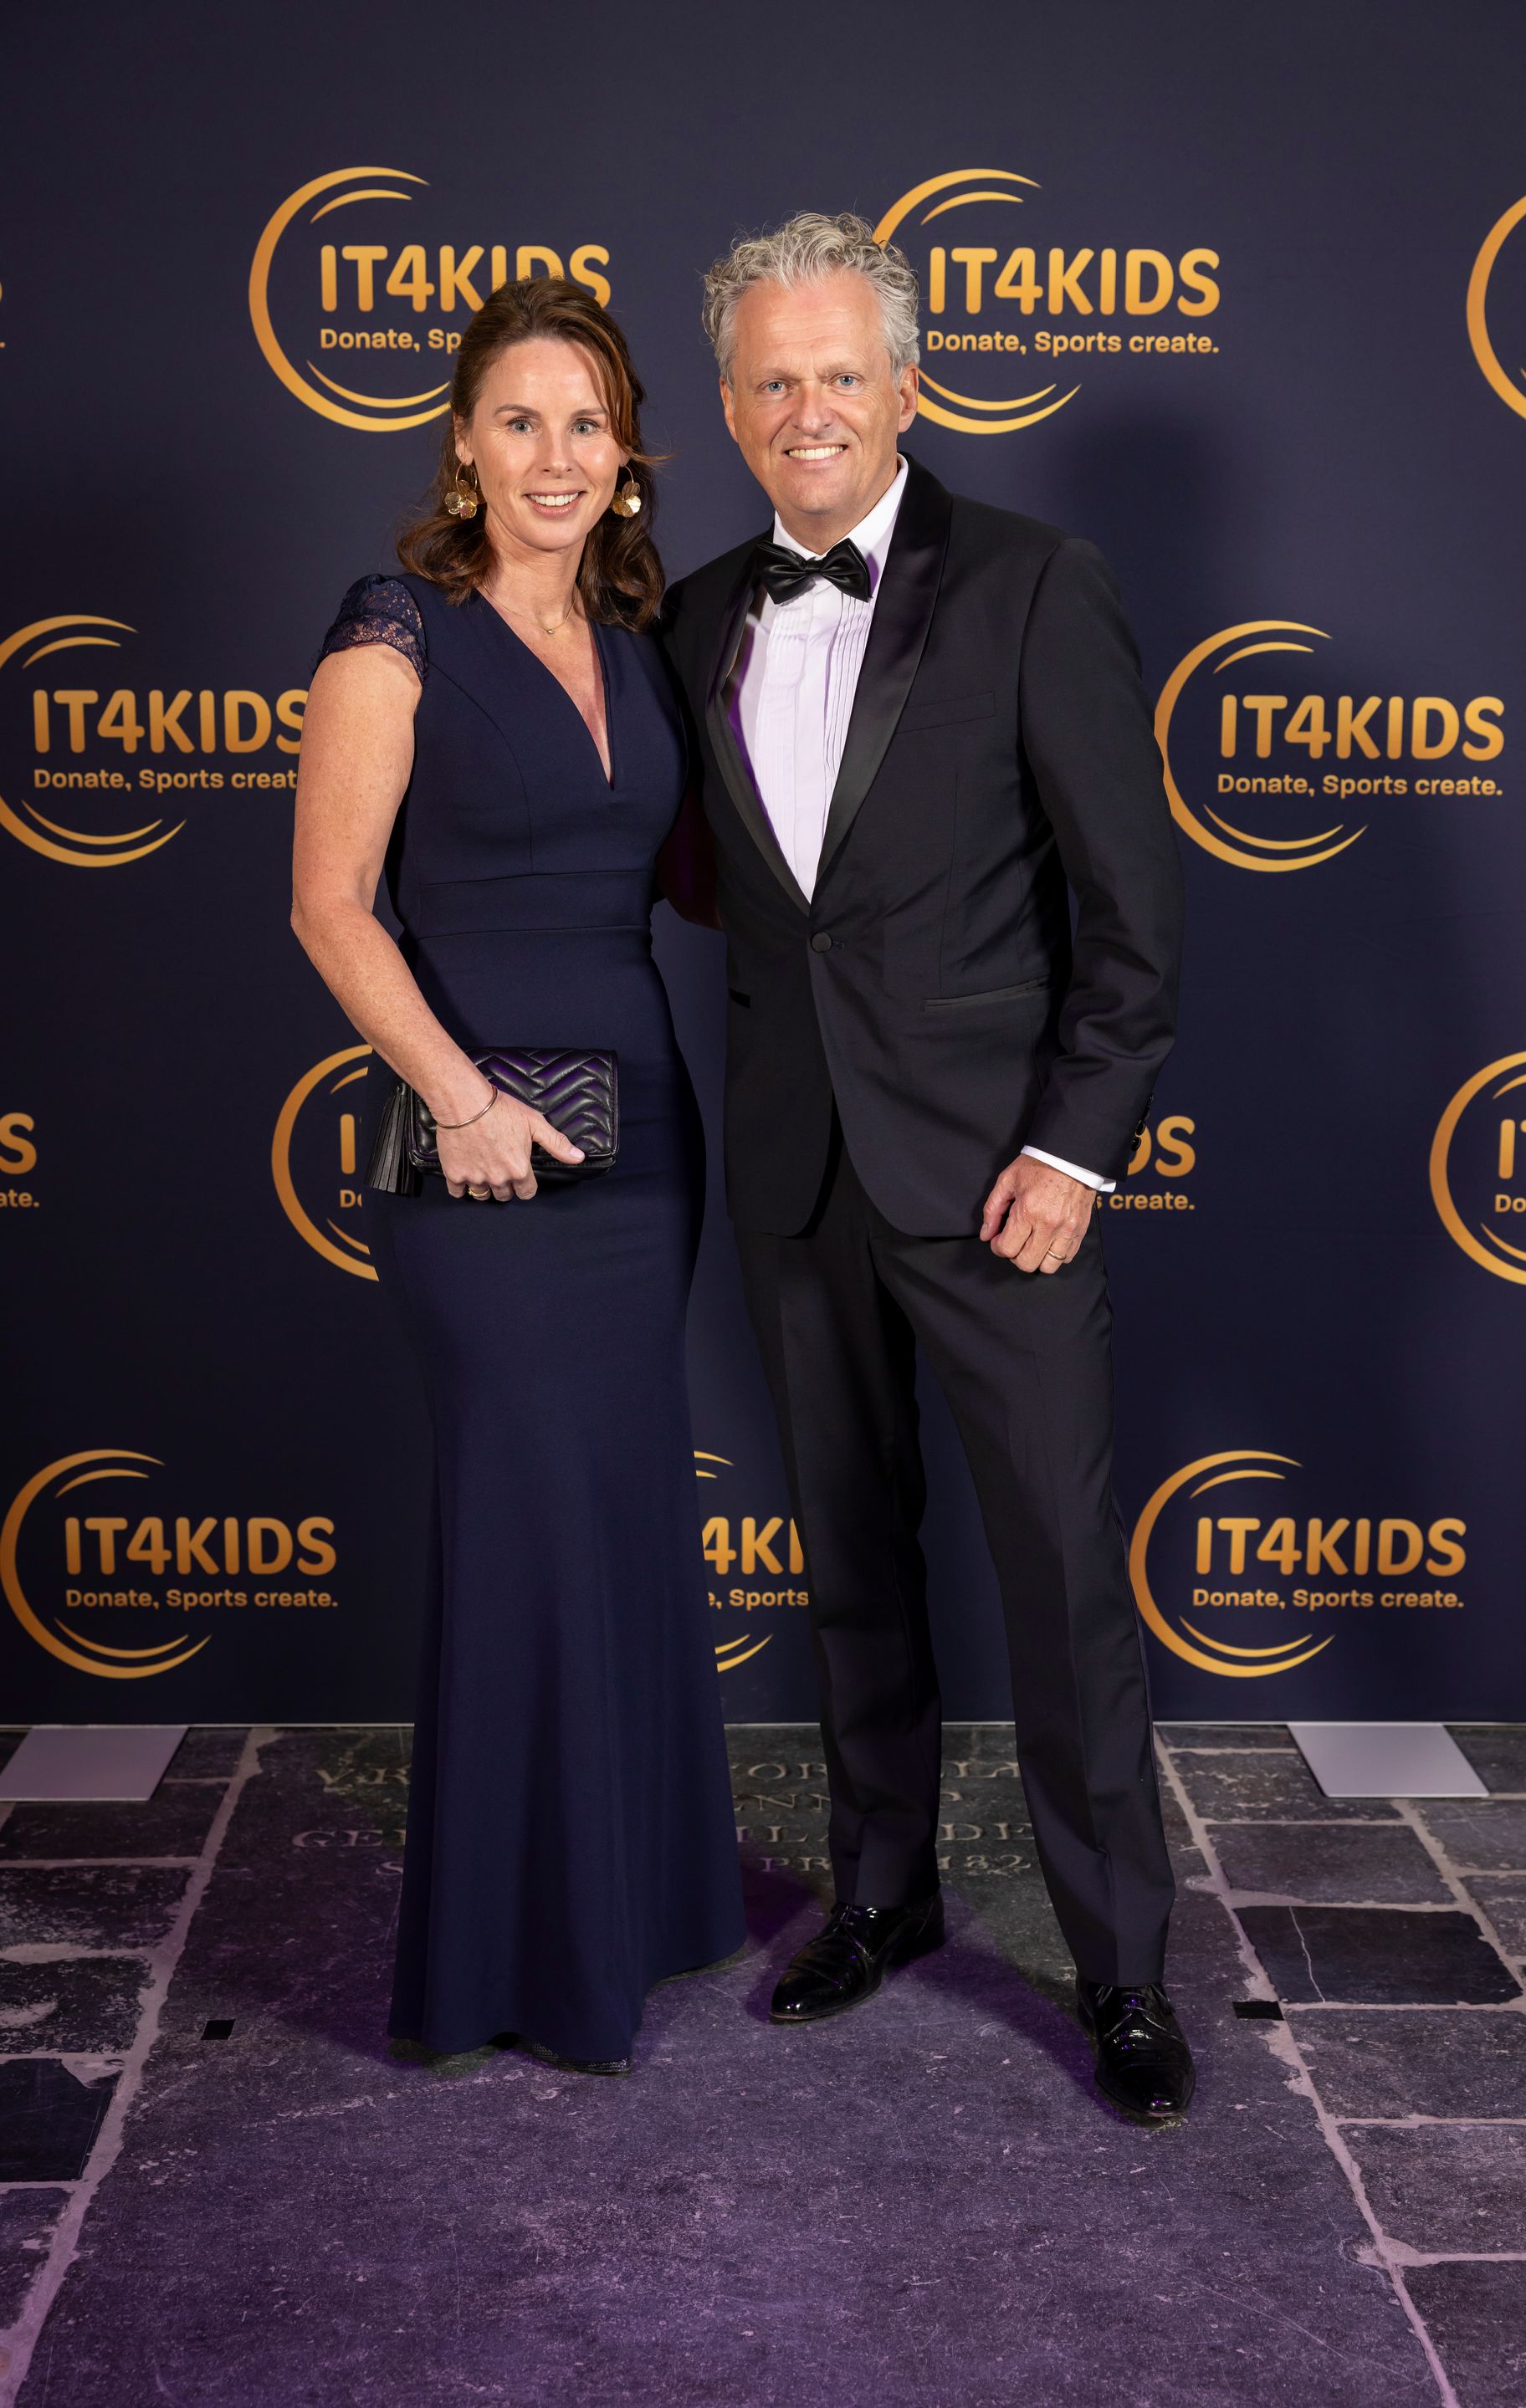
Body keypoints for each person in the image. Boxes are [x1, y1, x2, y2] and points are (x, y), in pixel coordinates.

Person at [660, 213, 1196, 2124]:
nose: (807, 408)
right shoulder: (692, 613)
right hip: (797, 1170)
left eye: (839, 373)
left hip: (1001, 1184)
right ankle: (882, 1895)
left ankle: (1121, 1969)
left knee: (1061, 1581)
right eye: (772, 380)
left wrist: (1073, 1151)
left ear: (909, 385)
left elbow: (1133, 918)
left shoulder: (1039, 583)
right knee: (851, 1567)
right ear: (731, 409)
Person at [290, 278, 744, 2072]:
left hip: (644, 1150)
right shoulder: (392, 630)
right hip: (472, 1149)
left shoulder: (644, 643)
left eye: (587, 423)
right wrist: (462, 1098)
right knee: (527, 1521)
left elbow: (700, 877)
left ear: (627, 455)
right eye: (519, 421)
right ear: (465, 449)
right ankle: (514, 1963)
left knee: (621, 1510)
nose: (556, 455)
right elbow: (331, 906)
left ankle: (639, 1910)